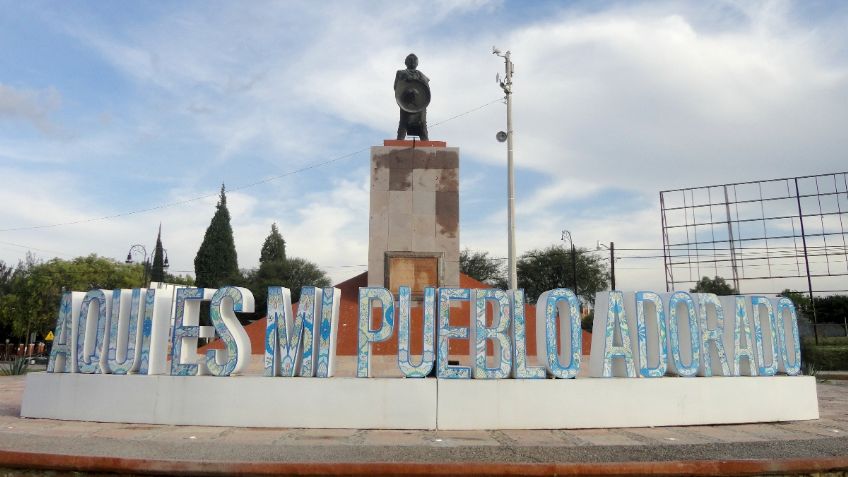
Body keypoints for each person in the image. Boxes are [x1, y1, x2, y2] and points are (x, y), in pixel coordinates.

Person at [394, 53, 430, 140]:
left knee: (422, 125)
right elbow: (396, 87)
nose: (412, 62)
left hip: (419, 103)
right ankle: (399, 142)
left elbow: (426, 88)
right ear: (406, 62)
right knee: (403, 123)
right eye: (410, 60)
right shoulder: (401, 73)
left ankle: (425, 144)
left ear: (417, 63)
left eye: (414, 61)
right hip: (406, 102)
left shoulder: (421, 75)